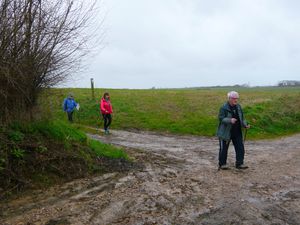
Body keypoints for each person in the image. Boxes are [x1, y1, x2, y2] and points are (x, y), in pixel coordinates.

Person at [217, 91, 250, 170]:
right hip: (226, 132)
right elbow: (221, 118)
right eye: (234, 98)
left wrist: (245, 125)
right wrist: (230, 120)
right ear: (229, 98)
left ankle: (239, 163)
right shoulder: (224, 107)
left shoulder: (238, 107)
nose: (236, 100)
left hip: (237, 131)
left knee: (240, 147)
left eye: (236, 98)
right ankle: (222, 164)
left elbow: (242, 118)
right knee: (224, 149)